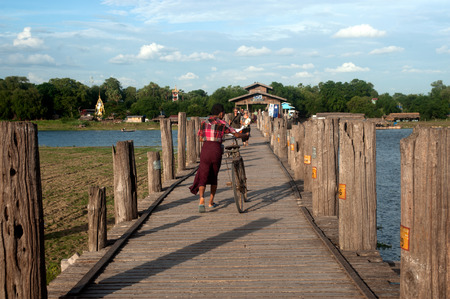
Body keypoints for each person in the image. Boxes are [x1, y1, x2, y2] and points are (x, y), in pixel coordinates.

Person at [189, 103, 249, 213]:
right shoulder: (222, 123)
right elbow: (235, 134)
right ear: (221, 113)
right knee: (213, 175)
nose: (223, 115)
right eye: (223, 113)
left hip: (206, 150)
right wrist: (245, 135)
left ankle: (201, 199)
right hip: (216, 150)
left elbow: (200, 138)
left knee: (203, 174)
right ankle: (211, 202)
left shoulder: (204, 123)